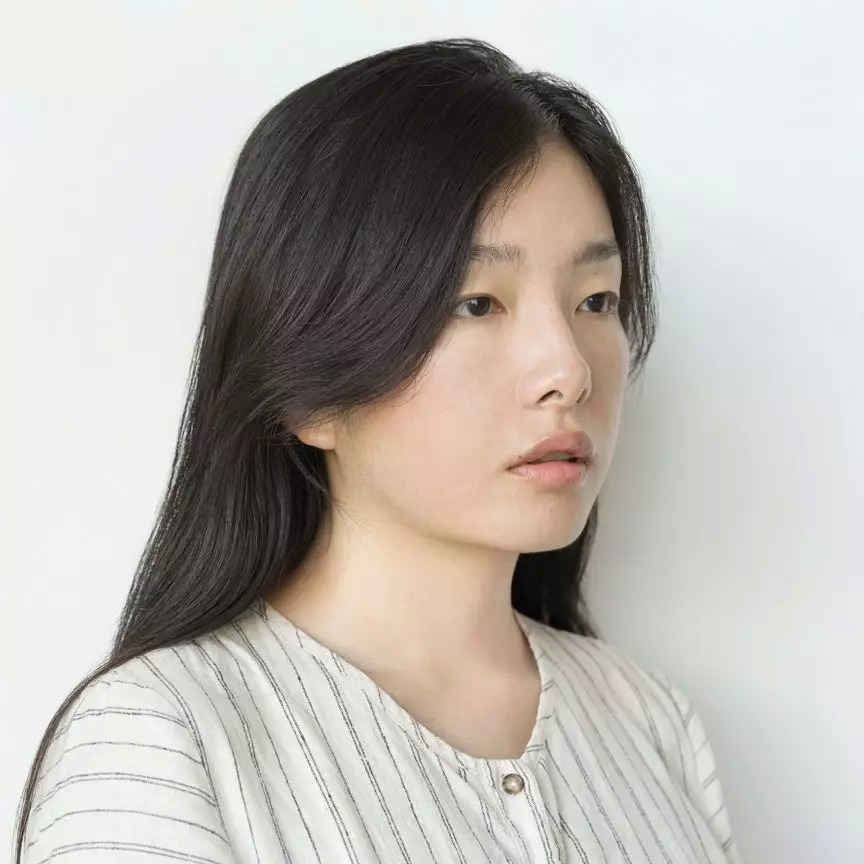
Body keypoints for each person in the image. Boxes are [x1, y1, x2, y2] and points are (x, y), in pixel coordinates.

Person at [14, 36, 741, 863]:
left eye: (597, 300)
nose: (569, 372)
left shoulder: (652, 723)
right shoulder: (162, 743)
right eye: (476, 303)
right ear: (309, 391)